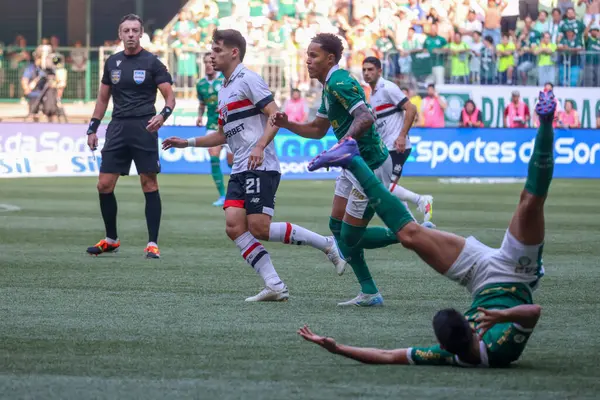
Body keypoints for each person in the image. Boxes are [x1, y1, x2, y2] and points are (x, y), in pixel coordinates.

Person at [299, 89, 557, 368]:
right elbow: (533, 311)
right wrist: (502, 317)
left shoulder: (446, 354)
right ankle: (546, 121)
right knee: (531, 202)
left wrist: (337, 348)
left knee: (409, 236)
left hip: (479, 278)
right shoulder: (501, 349)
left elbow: (389, 356)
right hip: (518, 274)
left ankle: (352, 159)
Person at [162, 29, 345, 302]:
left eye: (217, 50)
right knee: (234, 226)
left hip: (261, 165)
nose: (212, 55)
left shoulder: (249, 79)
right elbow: (223, 135)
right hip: (240, 168)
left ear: (234, 52)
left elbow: (275, 116)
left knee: (259, 227)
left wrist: (259, 146)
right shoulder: (224, 91)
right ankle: (274, 285)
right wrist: (186, 142)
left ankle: (328, 245)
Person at [271, 33, 400, 307]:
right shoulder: (330, 86)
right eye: (307, 55)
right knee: (337, 227)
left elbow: (365, 117)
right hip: (351, 162)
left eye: (313, 55)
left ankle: (408, 232)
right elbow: (318, 130)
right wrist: (287, 124)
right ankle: (369, 293)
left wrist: (344, 143)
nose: (307, 60)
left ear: (330, 58)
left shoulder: (339, 82)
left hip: (370, 165)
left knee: (350, 237)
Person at [85, 14, 176, 259]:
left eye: (135, 30)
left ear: (141, 34)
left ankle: (152, 243)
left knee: (149, 183)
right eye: (126, 31)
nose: (131, 35)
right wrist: (92, 128)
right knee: (104, 184)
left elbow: (170, 98)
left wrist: (162, 116)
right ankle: (111, 239)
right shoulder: (112, 63)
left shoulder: (153, 63)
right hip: (117, 128)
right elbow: (103, 99)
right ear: (120, 34)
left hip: (144, 128)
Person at [361, 56, 434, 225]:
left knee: (385, 188)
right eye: (364, 70)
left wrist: (401, 136)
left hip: (397, 146)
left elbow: (411, 108)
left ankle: (422, 200)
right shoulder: (373, 93)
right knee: (389, 188)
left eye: (371, 69)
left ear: (380, 71)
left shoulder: (388, 87)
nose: (366, 73)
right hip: (385, 147)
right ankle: (415, 226)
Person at [196, 53, 232, 207]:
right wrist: (199, 116)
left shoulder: (224, 80)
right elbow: (202, 103)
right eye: (206, 62)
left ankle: (237, 192)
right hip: (212, 125)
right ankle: (223, 196)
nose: (209, 65)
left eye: (211, 62)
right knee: (213, 156)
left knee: (233, 162)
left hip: (230, 125)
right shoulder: (201, 84)